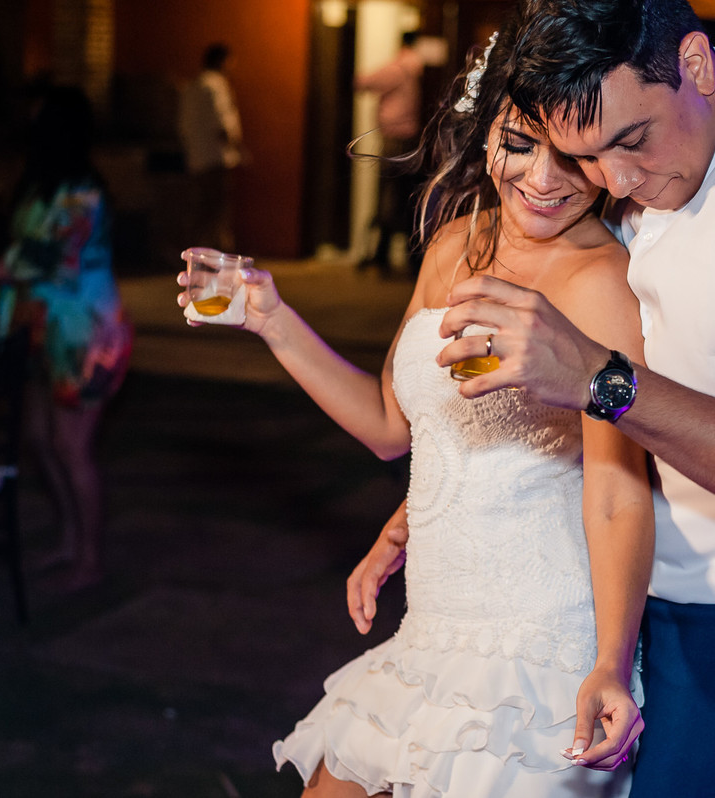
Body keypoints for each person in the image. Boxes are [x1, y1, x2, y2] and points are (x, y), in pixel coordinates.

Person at [352, 1, 715, 796]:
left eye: (630, 143)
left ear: (695, 65)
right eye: (587, 157)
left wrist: (599, 380)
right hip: (626, 599)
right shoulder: (630, 153)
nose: (616, 182)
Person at [178, 22, 652, 798]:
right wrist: (270, 317)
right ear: (487, 129)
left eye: (575, 155)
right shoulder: (454, 246)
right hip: (431, 628)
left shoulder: (602, 281)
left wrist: (609, 660)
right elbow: (392, 427)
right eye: (521, 144)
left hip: (536, 647)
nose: (544, 179)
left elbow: (617, 492)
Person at [0, 85, 132, 591]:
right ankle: (70, 540)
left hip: (85, 334)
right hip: (41, 329)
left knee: (71, 447)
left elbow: (48, 259)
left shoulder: (82, 192)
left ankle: (90, 558)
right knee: (39, 439)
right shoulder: (40, 185)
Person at [354, 31, 425, 276]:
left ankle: (382, 255)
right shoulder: (417, 66)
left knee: (390, 197)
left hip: (396, 140)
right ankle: (398, 256)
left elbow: (364, 82)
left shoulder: (401, 65)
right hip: (411, 138)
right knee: (404, 197)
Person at [178, 42, 243, 252]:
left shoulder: (192, 86)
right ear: (222, 61)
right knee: (216, 210)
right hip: (216, 158)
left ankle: (197, 252)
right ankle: (216, 254)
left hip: (196, 157)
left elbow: (183, 125)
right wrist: (237, 148)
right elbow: (221, 124)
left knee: (199, 207)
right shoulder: (216, 85)